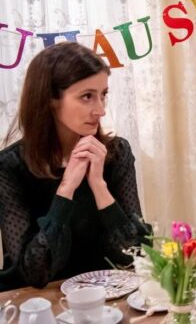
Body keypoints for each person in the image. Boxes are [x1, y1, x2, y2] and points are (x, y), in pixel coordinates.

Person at [0, 42, 151, 291]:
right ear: (50, 100)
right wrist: (67, 188)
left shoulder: (116, 153)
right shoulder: (9, 167)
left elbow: (138, 256)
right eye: (87, 96)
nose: (100, 110)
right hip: (37, 306)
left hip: (106, 298)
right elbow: (34, 273)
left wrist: (99, 186)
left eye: (103, 94)